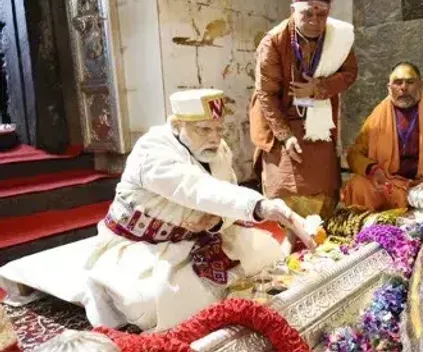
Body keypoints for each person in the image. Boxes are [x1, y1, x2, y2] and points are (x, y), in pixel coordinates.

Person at [83, 89, 315, 332]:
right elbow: (196, 188)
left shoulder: (218, 149)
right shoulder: (151, 151)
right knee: (145, 303)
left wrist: (215, 223)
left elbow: (227, 196)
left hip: (196, 239)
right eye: (204, 130)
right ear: (177, 124)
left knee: (266, 254)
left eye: (219, 129)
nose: (215, 138)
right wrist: (261, 206)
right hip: (141, 246)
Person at [249, 0, 358, 220]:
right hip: (280, 116)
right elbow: (266, 93)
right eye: (307, 13)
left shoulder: (337, 37)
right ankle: (289, 231)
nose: (315, 21)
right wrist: (285, 136)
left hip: (319, 117)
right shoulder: (274, 40)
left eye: (322, 14)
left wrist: (317, 88)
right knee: (284, 180)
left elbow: (350, 72)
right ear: (293, 11)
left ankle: (320, 228)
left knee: (324, 180)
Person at [341, 62, 423, 211]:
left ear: (420, 85)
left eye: (410, 82)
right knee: (357, 185)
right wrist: (374, 170)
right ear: (389, 88)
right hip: (389, 185)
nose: (403, 87)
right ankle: (405, 209)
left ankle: (415, 206)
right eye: (397, 82)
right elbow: (355, 153)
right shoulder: (378, 115)